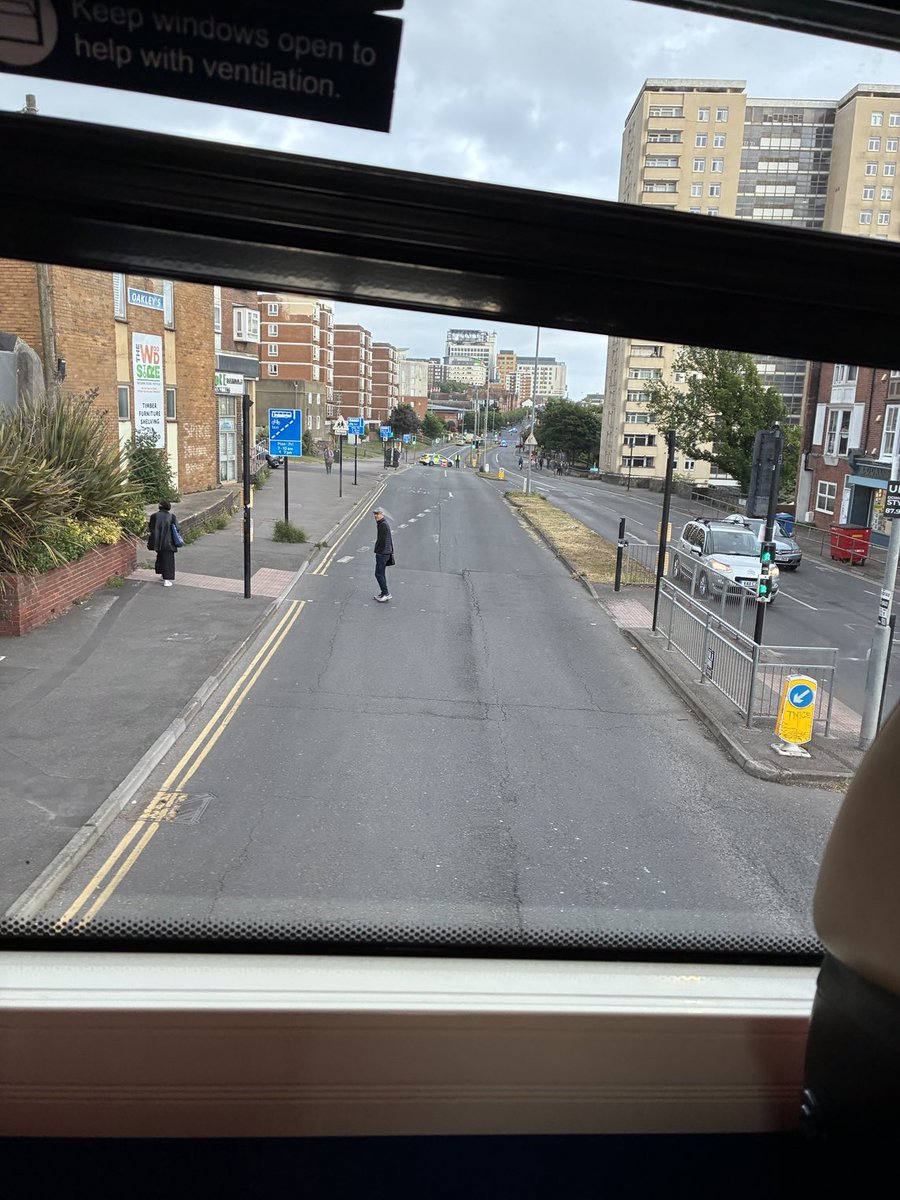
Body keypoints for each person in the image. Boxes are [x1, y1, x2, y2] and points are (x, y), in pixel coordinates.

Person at [147, 500, 182, 587]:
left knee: (160, 557)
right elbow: (177, 528)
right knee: (168, 561)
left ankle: (162, 574)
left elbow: (151, 528)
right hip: (168, 542)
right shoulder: (172, 517)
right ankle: (167, 580)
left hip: (157, 542)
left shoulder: (154, 516)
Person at [373, 506, 394, 602]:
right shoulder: (381, 523)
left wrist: (378, 551)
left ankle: (386, 593)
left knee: (378, 574)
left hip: (383, 553)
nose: (375, 515)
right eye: (375, 514)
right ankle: (384, 592)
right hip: (385, 552)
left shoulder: (383, 525)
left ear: (382, 514)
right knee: (381, 574)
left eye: (377, 514)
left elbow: (382, 541)